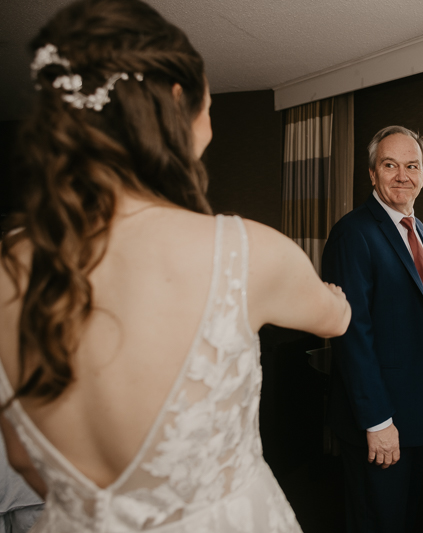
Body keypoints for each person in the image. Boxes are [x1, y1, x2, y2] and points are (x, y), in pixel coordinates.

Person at [0, 1, 351, 531]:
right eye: (210, 104)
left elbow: (24, 459)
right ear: (179, 102)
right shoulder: (245, 252)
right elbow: (335, 319)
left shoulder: (11, 262)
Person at [321, 126, 423, 533]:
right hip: (380, 420)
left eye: (412, 166)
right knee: (376, 522)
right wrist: (378, 422)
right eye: (390, 165)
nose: (402, 175)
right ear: (372, 174)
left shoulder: (416, 227)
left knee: (401, 518)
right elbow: (351, 334)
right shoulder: (354, 233)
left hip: (413, 412)